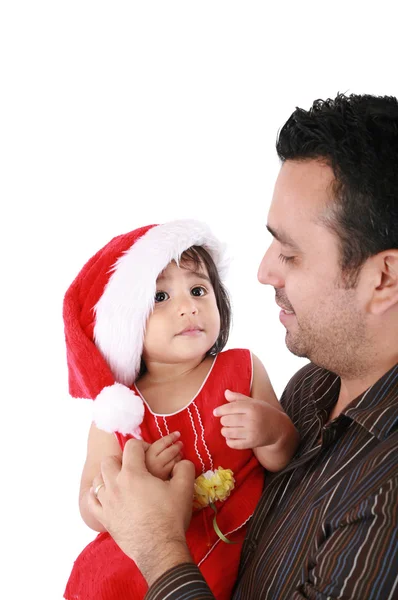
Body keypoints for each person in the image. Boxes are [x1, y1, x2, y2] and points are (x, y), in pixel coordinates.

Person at [87, 92, 398, 599]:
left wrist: (157, 546)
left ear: (383, 278)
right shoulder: (312, 388)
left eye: (291, 254)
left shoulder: (386, 497)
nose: (262, 271)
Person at [63, 219, 299, 600]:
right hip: (131, 570)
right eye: (160, 297)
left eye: (198, 289)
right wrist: (137, 478)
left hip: (231, 558)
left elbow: (281, 457)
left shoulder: (243, 369)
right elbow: (91, 507)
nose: (189, 307)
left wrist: (272, 431)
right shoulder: (119, 409)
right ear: (125, 323)